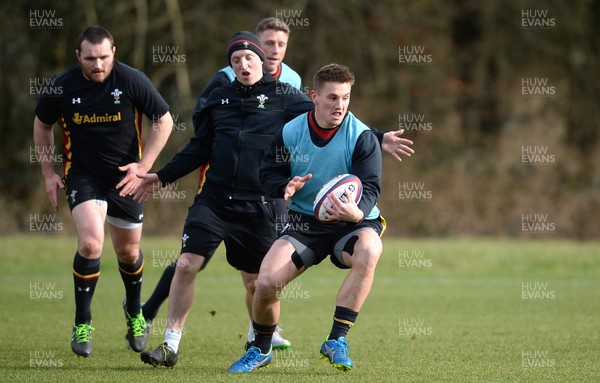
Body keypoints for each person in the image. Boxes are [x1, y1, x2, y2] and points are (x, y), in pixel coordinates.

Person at [136, 31, 315, 368]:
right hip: (215, 200)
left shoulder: (286, 97)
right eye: (236, 60)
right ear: (230, 66)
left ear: (261, 60)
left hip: (260, 205)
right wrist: (162, 176)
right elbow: (198, 148)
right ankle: (170, 346)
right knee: (187, 263)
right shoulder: (220, 99)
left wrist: (375, 139)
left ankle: (258, 342)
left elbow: (328, 120)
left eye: (249, 58)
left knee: (255, 281)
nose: (243, 64)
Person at [228, 63, 385, 373]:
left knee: (370, 250)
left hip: (351, 223)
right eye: (331, 98)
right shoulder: (291, 131)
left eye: (345, 98)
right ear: (314, 96)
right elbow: (268, 173)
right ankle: (260, 349)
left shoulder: (361, 136)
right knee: (267, 281)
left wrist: (357, 211)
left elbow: (370, 187)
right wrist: (282, 186)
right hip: (305, 222)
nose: (339, 105)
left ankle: (336, 340)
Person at [33, 26, 173, 357]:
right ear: (78, 57)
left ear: (114, 53)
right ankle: (83, 322)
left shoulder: (131, 79)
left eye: (104, 57)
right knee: (91, 242)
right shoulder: (61, 86)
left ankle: (135, 312)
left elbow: (164, 121)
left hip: (126, 178)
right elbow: (42, 125)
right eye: (91, 58)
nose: (98, 65)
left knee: (128, 253)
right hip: (83, 176)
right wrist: (49, 172)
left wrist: (143, 167)